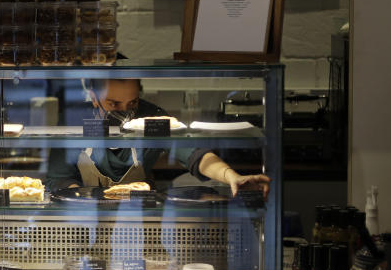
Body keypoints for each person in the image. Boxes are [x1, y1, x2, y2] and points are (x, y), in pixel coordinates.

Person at [48, 77, 271, 197]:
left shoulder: (151, 116)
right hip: (85, 219)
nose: (125, 111)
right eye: (113, 104)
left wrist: (231, 176)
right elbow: (58, 178)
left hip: (139, 217)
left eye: (132, 103)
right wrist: (87, 200)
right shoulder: (75, 119)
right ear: (94, 97)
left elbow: (194, 154)